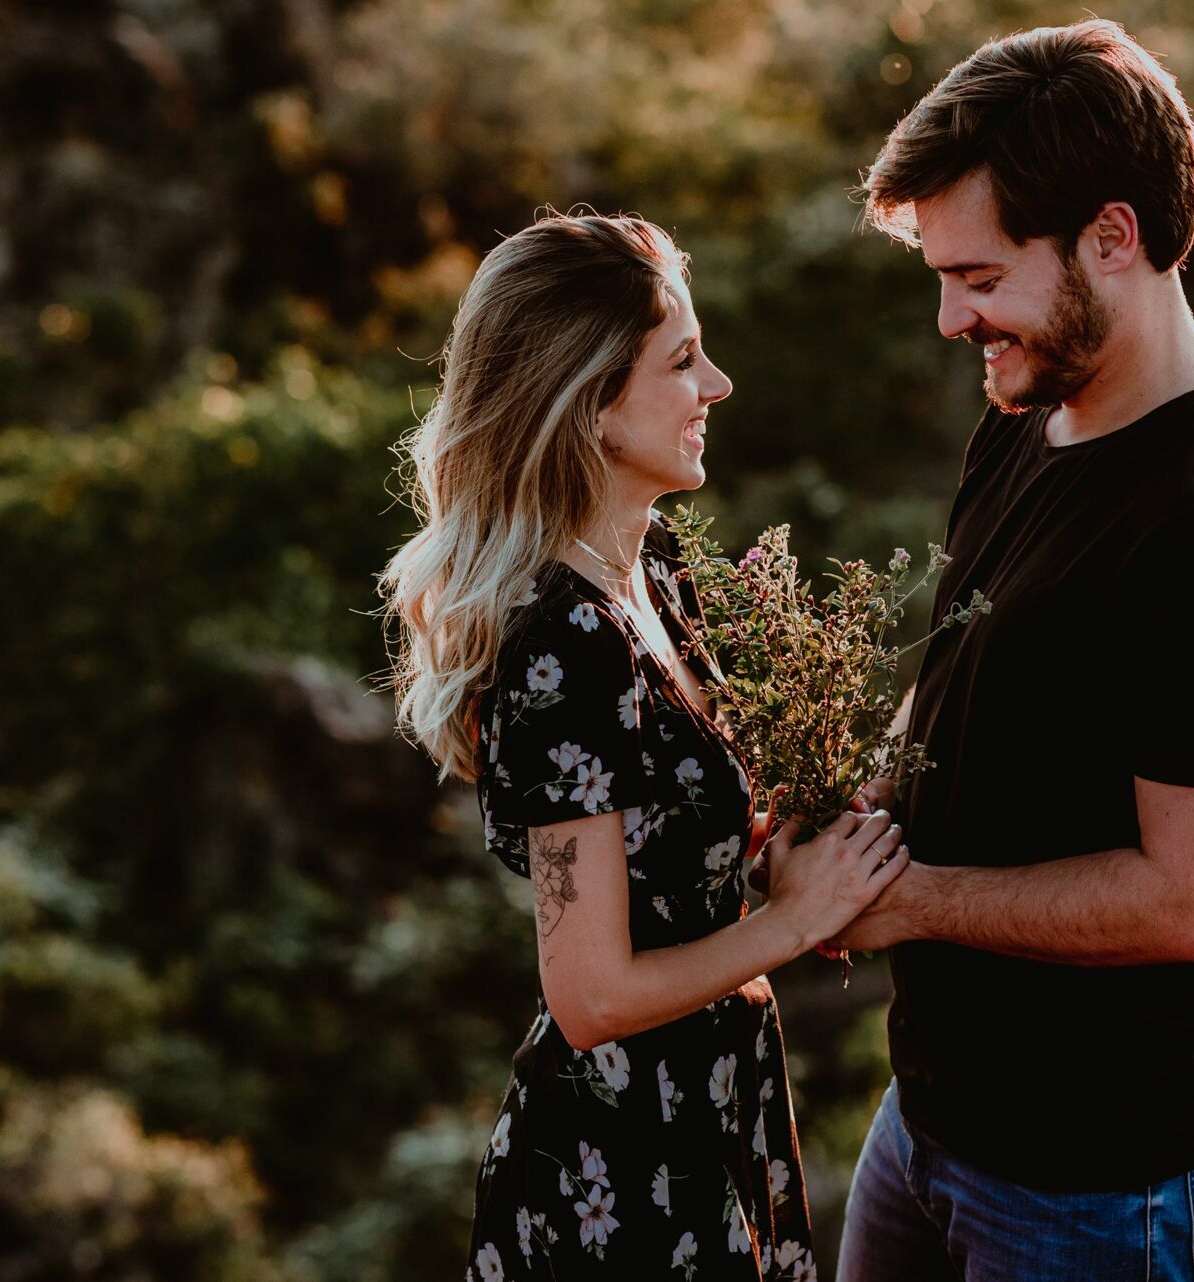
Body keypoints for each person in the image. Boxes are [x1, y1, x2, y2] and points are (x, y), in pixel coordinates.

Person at [818, 19, 1194, 1281]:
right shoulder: (1034, 405)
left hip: (1111, 1174)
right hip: (940, 1113)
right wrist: (859, 813)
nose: (951, 316)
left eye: (981, 276)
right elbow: (962, 686)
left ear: (1114, 236)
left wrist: (906, 900)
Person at [378, 210, 910, 1281]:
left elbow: (674, 845)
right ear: (591, 401)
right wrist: (795, 920)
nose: (715, 385)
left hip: (716, 1108)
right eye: (681, 361)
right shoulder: (560, 646)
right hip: (618, 1172)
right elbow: (592, 996)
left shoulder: (652, 570)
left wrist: (791, 845)